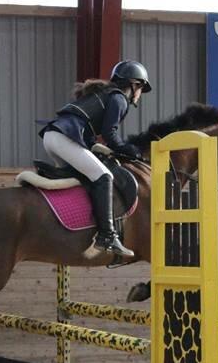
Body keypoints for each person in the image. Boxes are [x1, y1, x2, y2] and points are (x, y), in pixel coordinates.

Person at [38, 59, 152, 258]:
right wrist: (128, 150)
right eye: (141, 89)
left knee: (89, 177)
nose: (140, 95)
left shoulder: (104, 95)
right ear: (135, 85)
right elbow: (110, 133)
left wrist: (101, 148)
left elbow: (89, 135)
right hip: (63, 138)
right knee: (104, 177)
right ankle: (107, 235)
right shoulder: (119, 98)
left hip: (53, 137)